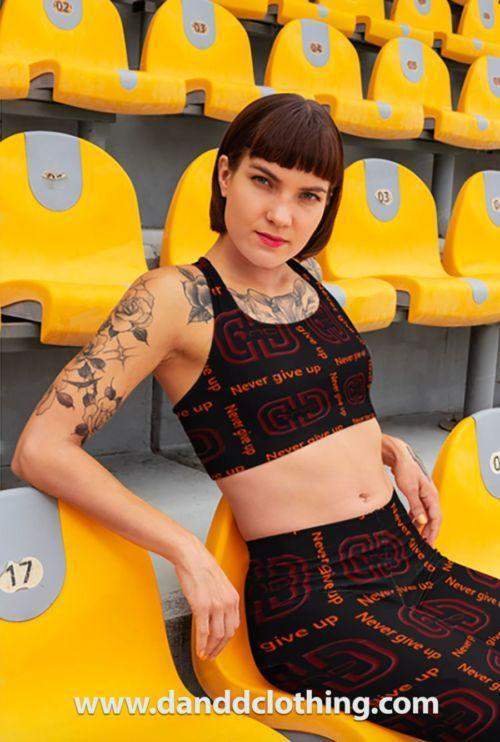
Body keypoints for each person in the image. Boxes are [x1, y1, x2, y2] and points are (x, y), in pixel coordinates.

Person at [11, 94, 499, 740]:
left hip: (409, 560)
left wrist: (392, 450)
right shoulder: (174, 298)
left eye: (308, 196)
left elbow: (314, 407)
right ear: (225, 175)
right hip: (319, 600)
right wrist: (185, 549)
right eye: (264, 181)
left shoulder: (309, 279)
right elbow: (41, 449)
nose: (281, 215)